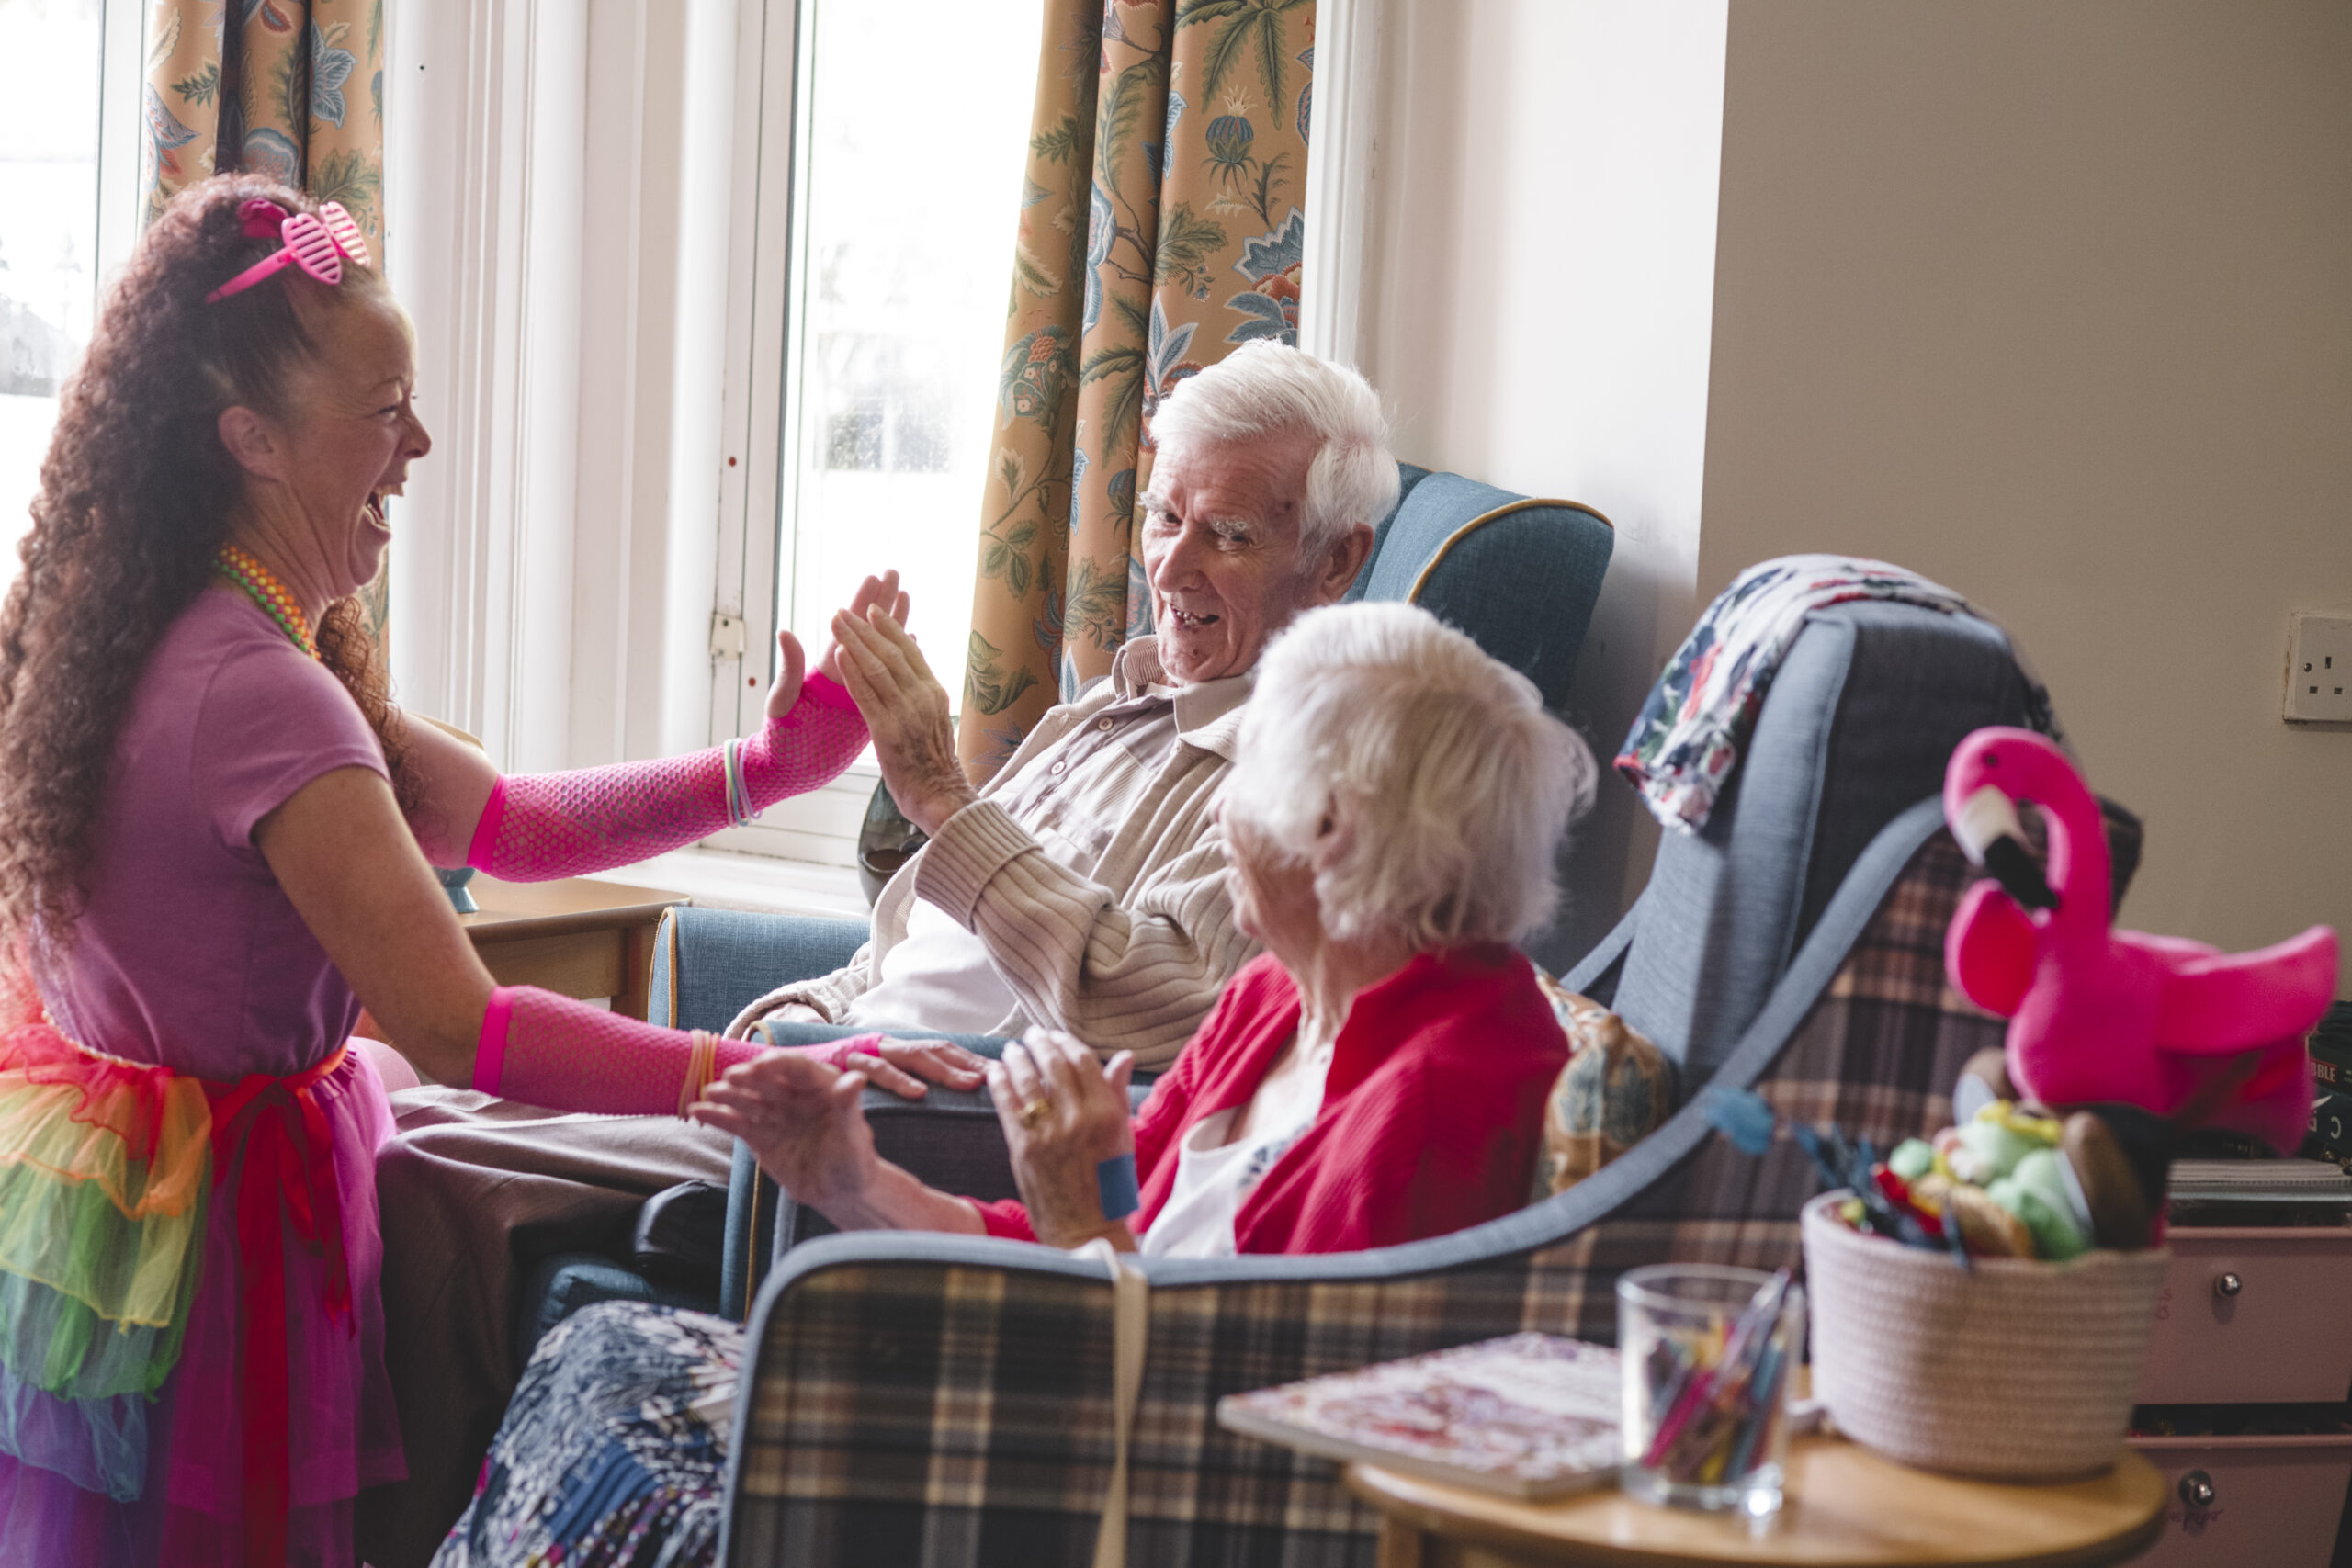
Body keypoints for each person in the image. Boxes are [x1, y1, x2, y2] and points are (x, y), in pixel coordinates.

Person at [0, 174, 924, 1568]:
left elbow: (513, 826)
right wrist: (720, 1081)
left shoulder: (158, 620)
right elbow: (459, 1026)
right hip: (225, 1224)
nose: (418, 443)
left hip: (116, 1177)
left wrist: (765, 771)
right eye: (385, 413)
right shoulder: (260, 689)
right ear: (251, 436)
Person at [365, 340, 1405, 1561]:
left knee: (411, 1174)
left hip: (904, 1103)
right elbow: (909, 933)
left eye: (1226, 532)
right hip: (824, 1052)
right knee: (406, 1117)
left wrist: (939, 803)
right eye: (1164, 515)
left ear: (1334, 559)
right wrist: (791, 1010)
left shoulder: (1295, 780)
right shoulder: (1104, 709)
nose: (1170, 563)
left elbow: (1160, 1005)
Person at [431, 599, 1599, 1566]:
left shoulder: (1449, 1086)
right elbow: (1052, 1252)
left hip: (1122, 1498)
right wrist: (852, 1178)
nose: (1227, 813)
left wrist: (1089, 1220)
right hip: (1076, 1416)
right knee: (610, 1352)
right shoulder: (1277, 1000)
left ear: (1330, 827)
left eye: (1247, 779)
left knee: (649, 1443)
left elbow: (1276, 1433)